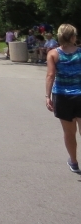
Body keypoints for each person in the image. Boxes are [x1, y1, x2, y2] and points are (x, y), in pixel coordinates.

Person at [45, 24, 81, 174]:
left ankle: (73, 162)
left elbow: (50, 75)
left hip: (62, 96)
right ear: (73, 37)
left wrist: (47, 96)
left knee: (69, 132)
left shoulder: (53, 54)